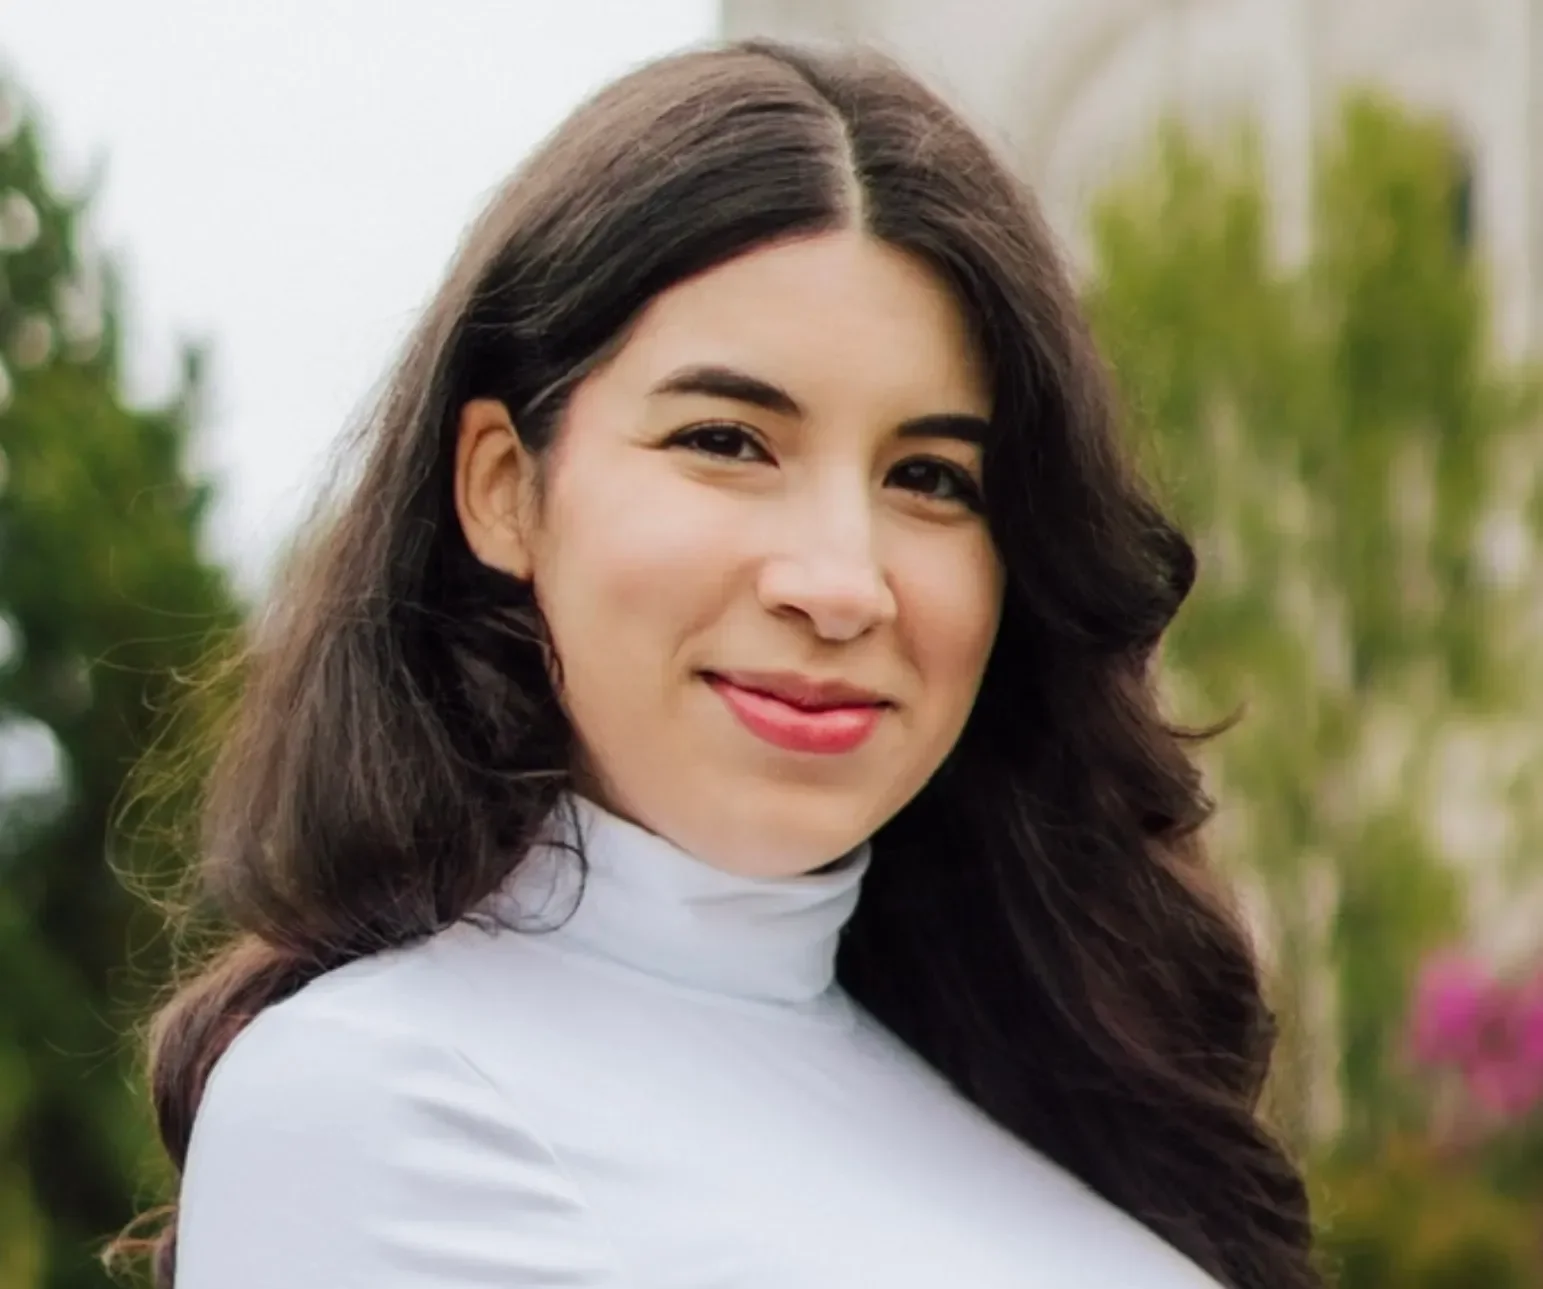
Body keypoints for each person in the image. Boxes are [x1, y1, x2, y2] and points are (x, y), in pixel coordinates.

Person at [112, 37, 1320, 1289]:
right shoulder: (379, 1102)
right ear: (501, 487)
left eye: (930, 477)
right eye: (728, 440)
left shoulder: (1050, 1087)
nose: (840, 583)